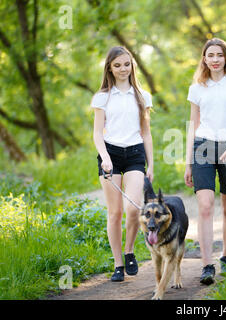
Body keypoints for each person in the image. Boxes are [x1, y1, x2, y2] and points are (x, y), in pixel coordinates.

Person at [184, 38, 226, 285]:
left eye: (219, 55)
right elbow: (193, 125)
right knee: (204, 205)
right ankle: (206, 265)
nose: (214, 59)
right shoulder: (197, 88)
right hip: (202, 147)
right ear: (204, 58)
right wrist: (188, 162)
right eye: (209, 55)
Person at [91, 46, 154, 282]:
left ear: (132, 65)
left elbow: (146, 133)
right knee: (115, 213)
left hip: (136, 153)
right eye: (117, 65)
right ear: (109, 68)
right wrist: (105, 157)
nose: (122, 69)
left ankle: (129, 251)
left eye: (126, 64)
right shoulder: (102, 97)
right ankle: (118, 264)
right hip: (110, 156)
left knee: (134, 209)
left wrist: (151, 165)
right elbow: (97, 133)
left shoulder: (142, 96)